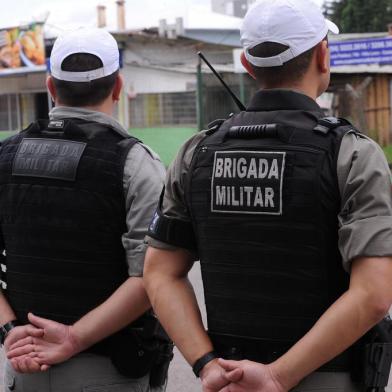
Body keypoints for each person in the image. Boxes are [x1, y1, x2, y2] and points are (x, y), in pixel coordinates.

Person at [143, 0, 392, 391]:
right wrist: (277, 376)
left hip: (229, 381)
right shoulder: (353, 154)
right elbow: (374, 294)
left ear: (247, 64)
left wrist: (207, 365)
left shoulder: (196, 152)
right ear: (323, 56)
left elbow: (159, 273)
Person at [0, 27, 169, 392]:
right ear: (119, 87)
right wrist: (74, 337)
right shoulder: (137, 164)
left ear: (50, 86)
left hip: (24, 369)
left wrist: (10, 330)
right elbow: (152, 278)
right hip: (108, 372)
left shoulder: (4, 157)